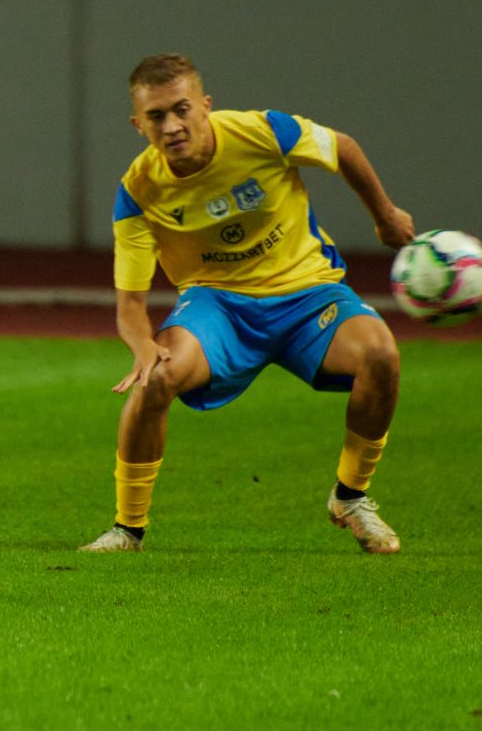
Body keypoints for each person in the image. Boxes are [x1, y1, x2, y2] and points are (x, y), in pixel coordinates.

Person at [88, 53, 415, 555]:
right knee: (155, 380)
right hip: (219, 307)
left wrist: (385, 214)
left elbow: (342, 148)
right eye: (156, 116)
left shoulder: (263, 132)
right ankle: (127, 530)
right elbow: (129, 303)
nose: (172, 126)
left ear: (205, 105)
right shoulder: (138, 191)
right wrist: (141, 346)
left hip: (308, 292)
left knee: (381, 353)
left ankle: (350, 498)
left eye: (181, 109)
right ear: (138, 125)